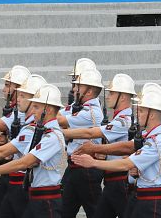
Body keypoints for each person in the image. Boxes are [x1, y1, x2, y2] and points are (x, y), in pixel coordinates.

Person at [71, 89, 161, 218]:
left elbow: (125, 164)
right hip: (141, 197)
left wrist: (93, 163)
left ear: (151, 115)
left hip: (152, 202)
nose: (137, 114)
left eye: (141, 111)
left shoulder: (157, 140)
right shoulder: (152, 134)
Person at [0, 84, 66, 218]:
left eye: (36, 107)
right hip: (36, 197)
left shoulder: (52, 136)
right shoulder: (41, 132)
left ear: (47, 110)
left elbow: (24, 162)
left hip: (46, 200)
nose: (33, 110)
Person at [58, 69, 105, 218]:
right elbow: (60, 113)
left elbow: (59, 120)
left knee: (96, 212)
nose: (74, 89)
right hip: (74, 168)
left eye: (78, 86)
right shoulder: (79, 107)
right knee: (63, 211)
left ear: (89, 91)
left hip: (86, 172)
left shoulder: (92, 112)